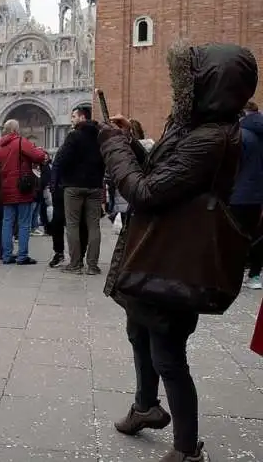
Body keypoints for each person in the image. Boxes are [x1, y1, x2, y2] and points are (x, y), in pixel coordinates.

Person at [101, 42, 257, 462]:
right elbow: (160, 171)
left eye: (189, 81)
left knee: (168, 354)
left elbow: (147, 192)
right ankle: (145, 407)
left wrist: (113, 149)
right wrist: (130, 142)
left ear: (211, 87)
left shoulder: (212, 138)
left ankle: (187, 451)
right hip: (156, 252)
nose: (179, 90)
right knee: (139, 331)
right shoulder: (195, 128)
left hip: (175, 258)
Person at [54, 107, 106, 275]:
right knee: (94, 225)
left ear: (82, 117)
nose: (71, 120)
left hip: (74, 186)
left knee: (73, 225)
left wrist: (62, 177)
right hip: (95, 186)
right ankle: (92, 265)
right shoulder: (100, 137)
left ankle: (75, 264)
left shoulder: (74, 136)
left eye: (74, 116)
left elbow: (61, 159)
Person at [0, 119, 47, 265]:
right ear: (15, 130)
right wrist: (41, 151)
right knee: (24, 223)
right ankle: (22, 256)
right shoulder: (20, 142)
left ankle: (6, 255)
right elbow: (38, 156)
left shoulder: (0, 146)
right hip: (22, 188)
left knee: (7, 222)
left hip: (6, 188)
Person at [229, 101, 263, 290]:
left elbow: (233, 167)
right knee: (256, 235)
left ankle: (234, 274)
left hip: (239, 194)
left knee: (235, 235)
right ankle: (255, 274)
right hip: (258, 195)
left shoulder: (241, 135)